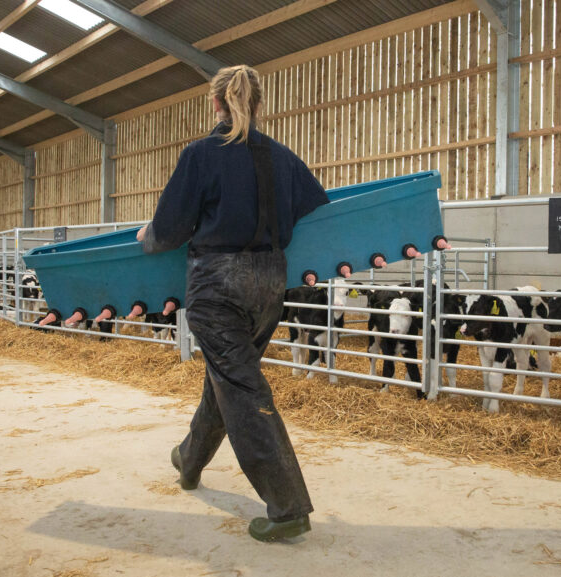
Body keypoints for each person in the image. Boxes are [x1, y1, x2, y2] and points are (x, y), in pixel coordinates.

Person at [136, 64, 328, 542]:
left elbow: (169, 231)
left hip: (217, 287)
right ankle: (189, 458)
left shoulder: (201, 155)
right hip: (268, 286)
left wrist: (147, 236)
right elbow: (316, 212)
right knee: (228, 380)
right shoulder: (282, 158)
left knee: (240, 387)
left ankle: (287, 506)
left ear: (216, 103)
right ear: (258, 105)